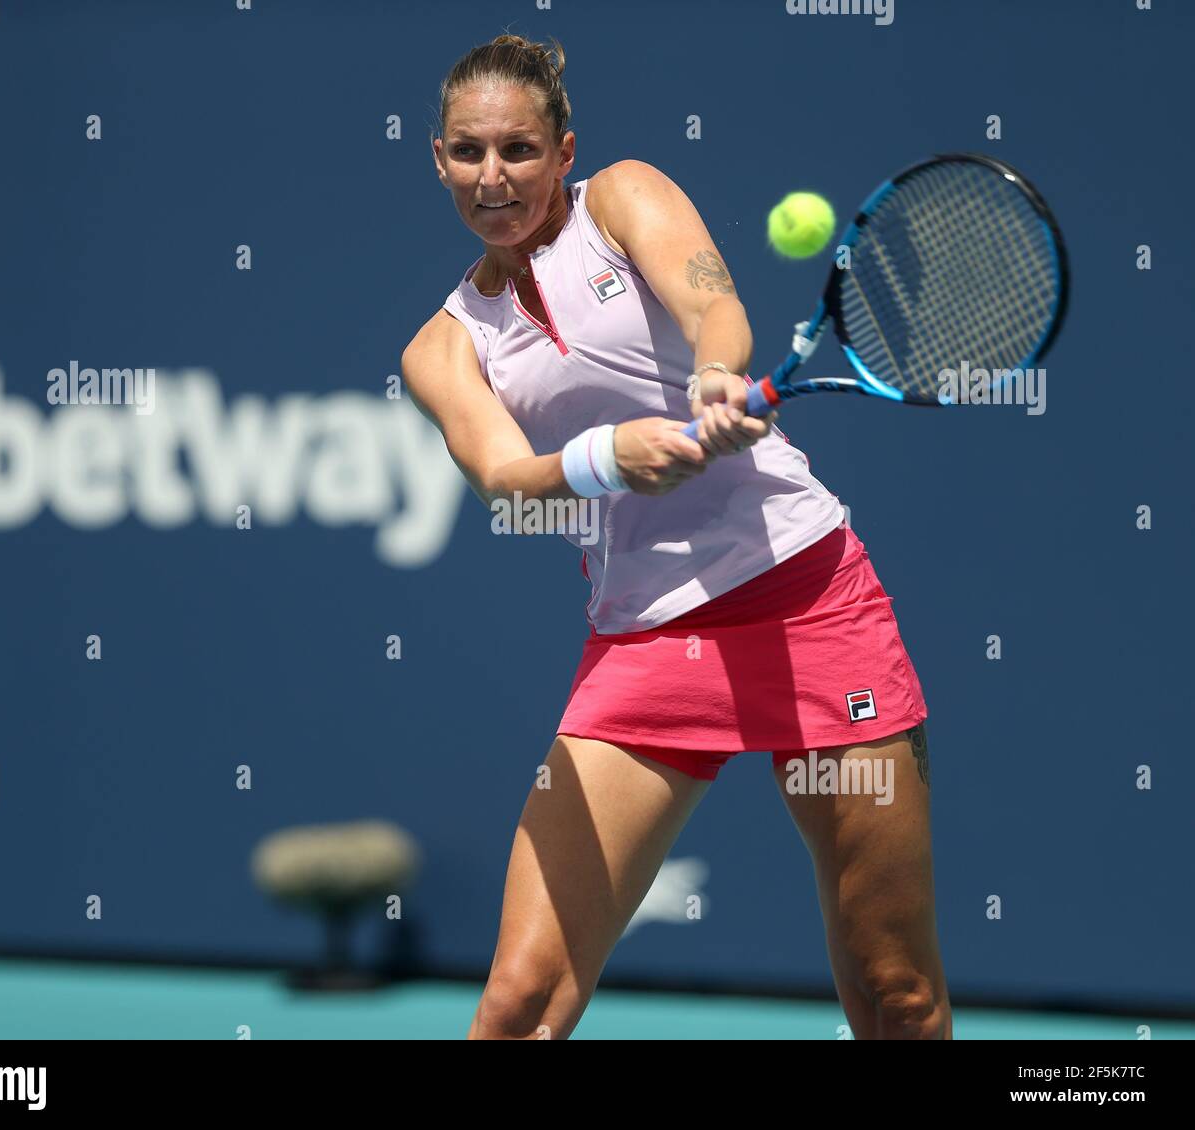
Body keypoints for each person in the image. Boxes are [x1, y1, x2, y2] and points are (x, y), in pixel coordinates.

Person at [403, 32, 950, 1040]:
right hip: (647, 642)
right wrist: (612, 454)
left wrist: (712, 377)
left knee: (896, 991)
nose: (494, 176)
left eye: (519, 149)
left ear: (564, 151)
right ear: (436, 158)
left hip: (806, 599)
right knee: (519, 1002)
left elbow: (715, 306)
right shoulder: (442, 346)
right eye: (468, 151)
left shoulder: (622, 197)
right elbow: (504, 483)